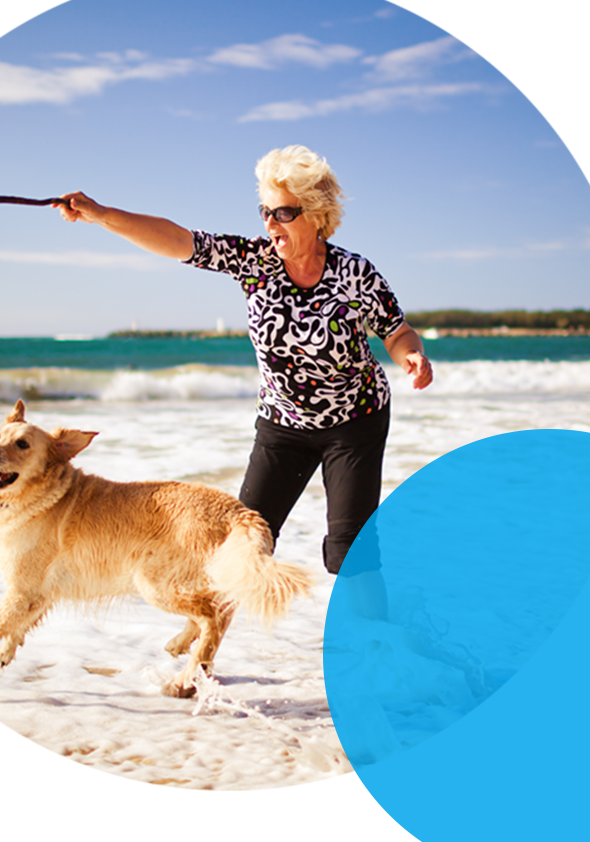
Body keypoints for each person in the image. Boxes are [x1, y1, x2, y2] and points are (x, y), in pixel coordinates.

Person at [54, 145, 433, 592]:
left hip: (354, 422)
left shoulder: (356, 274)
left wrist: (410, 355)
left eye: (283, 213)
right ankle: (204, 646)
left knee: (348, 553)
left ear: (315, 213)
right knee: (241, 542)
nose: (270, 224)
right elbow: (178, 241)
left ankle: (379, 645)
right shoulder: (255, 262)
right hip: (283, 425)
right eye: (264, 212)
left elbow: (395, 330)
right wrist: (100, 214)